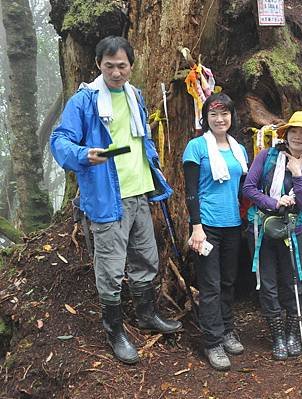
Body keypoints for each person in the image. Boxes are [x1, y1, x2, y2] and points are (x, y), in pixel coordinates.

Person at [50, 36, 182, 365]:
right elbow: (59, 139)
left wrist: (153, 167)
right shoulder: (84, 101)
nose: (116, 72)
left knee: (146, 259)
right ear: (98, 65)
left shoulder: (134, 95)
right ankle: (114, 330)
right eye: (109, 66)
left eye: (122, 65)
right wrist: (82, 154)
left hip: (139, 192)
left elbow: (141, 138)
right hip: (107, 196)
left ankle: (146, 314)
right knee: (110, 269)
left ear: (131, 66)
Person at [243, 111, 302, 360]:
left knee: (292, 280)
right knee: (267, 283)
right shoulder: (266, 157)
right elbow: (248, 188)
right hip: (262, 229)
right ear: (286, 134)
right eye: (294, 131)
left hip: (293, 230)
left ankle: (291, 334)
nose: (298, 137)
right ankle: (277, 336)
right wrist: (273, 201)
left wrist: (297, 174)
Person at [182, 92, 248, 371]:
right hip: (206, 226)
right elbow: (191, 191)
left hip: (233, 224)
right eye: (213, 114)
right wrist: (196, 227)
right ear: (205, 118)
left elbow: (244, 189)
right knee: (210, 286)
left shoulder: (239, 150)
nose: (219, 119)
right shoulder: (196, 147)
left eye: (224, 114)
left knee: (228, 283)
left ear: (231, 117)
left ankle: (226, 329)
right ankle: (212, 341)